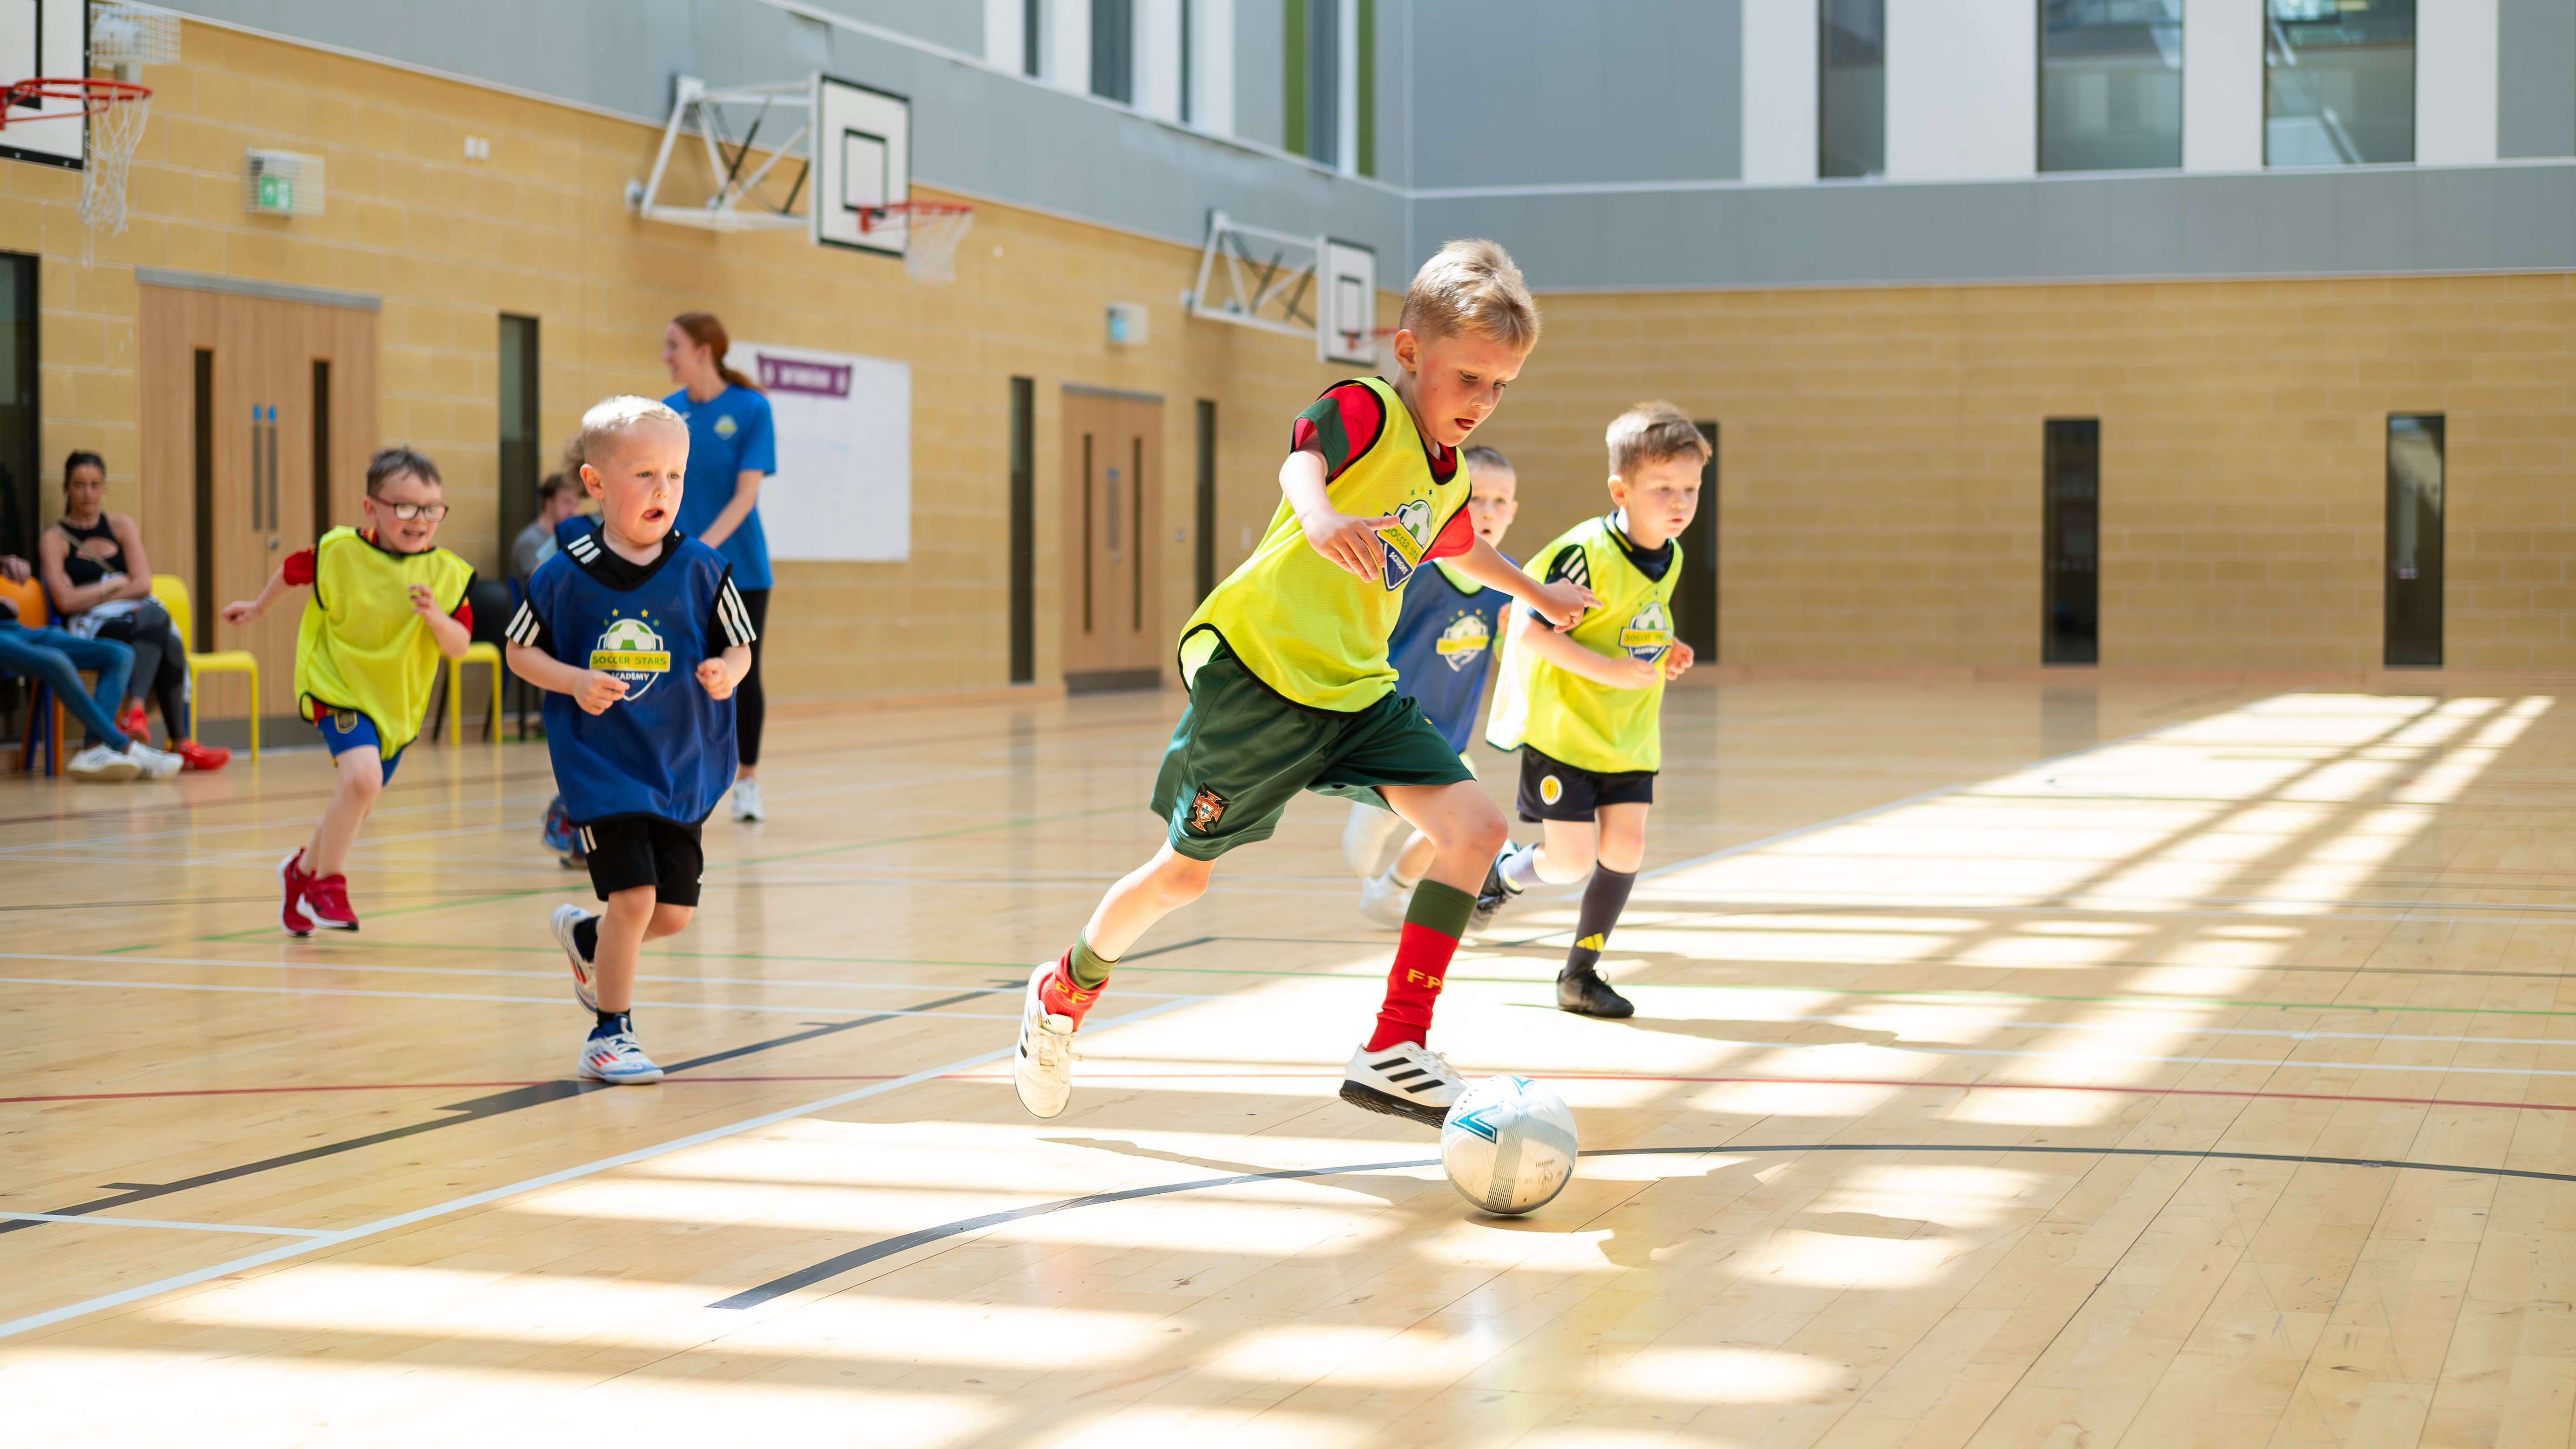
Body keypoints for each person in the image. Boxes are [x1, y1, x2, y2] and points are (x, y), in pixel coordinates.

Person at [1009, 239, 1597, 1129]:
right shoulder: (1366, 408)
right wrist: (1318, 514)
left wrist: (1538, 594)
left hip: (1355, 691)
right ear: (1410, 352)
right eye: (1469, 377)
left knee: (1476, 829)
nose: (1482, 401)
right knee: (1181, 880)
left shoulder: (1447, 475)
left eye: (1501, 386)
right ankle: (1063, 991)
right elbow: (1300, 461)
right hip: (1261, 677)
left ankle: (1395, 1045)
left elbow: (1458, 547)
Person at [506, 395, 756, 1084]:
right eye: (644, 474)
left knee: (669, 916)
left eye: (674, 475)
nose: (662, 490)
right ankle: (608, 1034)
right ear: (594, 483)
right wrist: (572, 680)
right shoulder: (563, 573)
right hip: (603, 768)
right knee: (636, 898)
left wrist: (726, 672)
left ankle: (588, 938)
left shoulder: (704, 568)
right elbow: (520, 651)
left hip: (679, 766)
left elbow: (741, 645)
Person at [1476, 401, 1706, 1018]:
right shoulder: (1582, 551)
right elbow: (1529, 630)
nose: (1679, 501)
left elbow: (1635, 618)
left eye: (1689, 488)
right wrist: (1607, 671)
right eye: (1662, 488)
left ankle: (1579, 974)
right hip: (1566, 734)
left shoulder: (1672, 554)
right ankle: (1503, 874)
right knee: (1571, 861)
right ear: (1620, 490)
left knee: (1626, 849)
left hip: (1630, 734)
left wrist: (1668, 645)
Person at [223, 448, 475, 935]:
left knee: (358, 795)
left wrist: (436, 618)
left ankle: (299, 874)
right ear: (371, 508)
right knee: (361, 781)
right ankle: (329, 884)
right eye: (405, 507)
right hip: (337, 686)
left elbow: (459, 646)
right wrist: (258, 607)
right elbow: (294, 571)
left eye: (431, 509)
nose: (419, 520)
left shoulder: (447, 574)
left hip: (394, 707)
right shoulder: (339, 551)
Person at [1342, 444, 1520, 925]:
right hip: (1399, 725)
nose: (1488, 511)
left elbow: (1505, 659)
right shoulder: (1417, 571)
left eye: (1500, 501)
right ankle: (1377, 804)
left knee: (1458, 824)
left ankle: (1389, 890)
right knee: (1455, 817)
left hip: (1453, 735)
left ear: (1512, 511)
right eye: (1476, 499)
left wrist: (1510, 636)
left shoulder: (1506, 582)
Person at [38, 452, 230, 769]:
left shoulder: (121, 526)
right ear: (66, 488)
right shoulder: (55, 539)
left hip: (135, 615)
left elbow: (143, 584)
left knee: (158, 619)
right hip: (92, 625)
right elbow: (65, 601)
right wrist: (110, 586)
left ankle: (144, 717)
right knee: (164, 636)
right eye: (79, 485)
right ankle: (174, 738)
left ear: (104, 487)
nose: (88, 493)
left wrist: (89, 592)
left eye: (95, 485)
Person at [662, 311, 776, 823]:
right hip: (678, 571)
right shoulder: (668, 414)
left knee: (740, 674)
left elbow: (745, 496)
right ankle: (682, 782)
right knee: (680, 674)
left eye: (674, 346)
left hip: (740, 570)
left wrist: (702, 550)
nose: (666, 356)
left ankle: (747, 782)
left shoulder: (752, 408)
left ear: (703, 350)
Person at [0, 554, 174, 781]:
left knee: (119, 654)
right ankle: (123, 746)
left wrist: (7, 563)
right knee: (56, 661)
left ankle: (94, 748)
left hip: (14, 629)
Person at [511, 471, 586, 583]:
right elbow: (539, 584)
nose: (573, 511)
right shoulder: (530, 542)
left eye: (577, 504)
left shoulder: (569, 537)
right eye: (567, 502)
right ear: (549, 503)